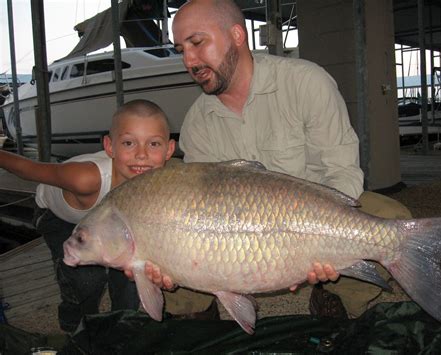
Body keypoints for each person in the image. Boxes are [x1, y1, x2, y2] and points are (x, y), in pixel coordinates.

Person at [169, 0, 412, 318]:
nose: (189, 60)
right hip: (242, 233)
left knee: (392, 220)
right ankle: (197, 313)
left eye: (197, 42)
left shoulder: (307, 82)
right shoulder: (197, 122)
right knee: (165, 251)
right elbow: (202, 207)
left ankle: (335, 297)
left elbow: (343, 171)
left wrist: (323, 239)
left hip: (318, 216)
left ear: (237, 35)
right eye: (180, 49)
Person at [0, 99, 201, 332]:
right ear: (110, 147)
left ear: (169, 150)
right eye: (128, 143)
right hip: (60, 217)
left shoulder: (160, 182)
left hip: (113, 221)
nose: (142, 155)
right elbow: (31, 170)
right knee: (86, 282)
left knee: (129, 279)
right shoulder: (85, 179)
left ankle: (123, 329)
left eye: (153, 144)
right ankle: (74, 329)